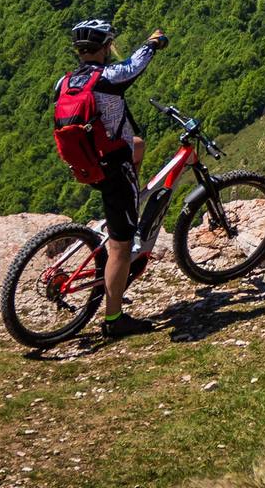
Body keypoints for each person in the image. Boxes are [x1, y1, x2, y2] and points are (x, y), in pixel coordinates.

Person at [58, 18, 167, 337]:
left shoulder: (65, 83)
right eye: (109, 45)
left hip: (86, 164)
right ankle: (114, 319)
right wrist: (153, 43)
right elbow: (134, 65)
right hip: (112, 167)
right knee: (121, 246)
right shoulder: (108, 78)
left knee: (138, 145)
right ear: (105, 48)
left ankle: (120, 214)